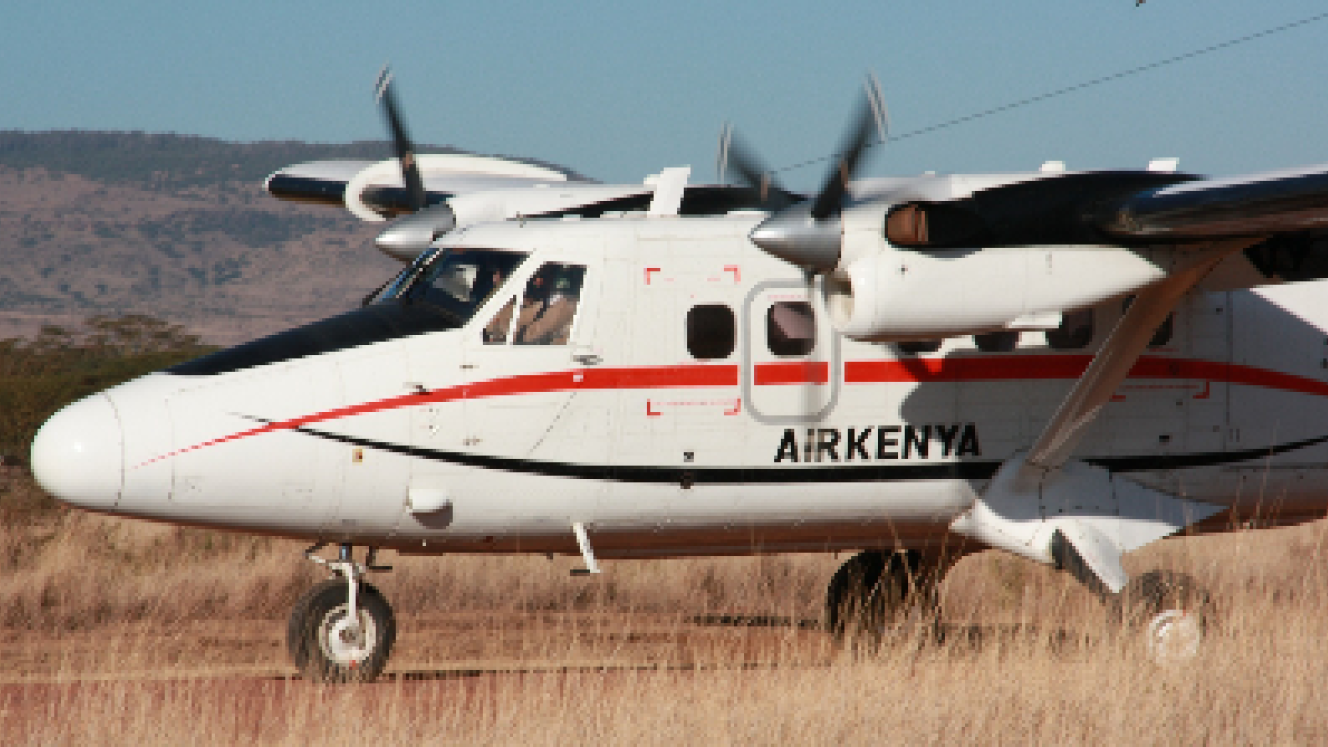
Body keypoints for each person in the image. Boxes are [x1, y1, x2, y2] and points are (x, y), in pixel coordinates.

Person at [516, 265, 582, 345]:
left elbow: (540, 329)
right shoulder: (554, 268)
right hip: (548, 306)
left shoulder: (565, 304)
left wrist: (520, 336)